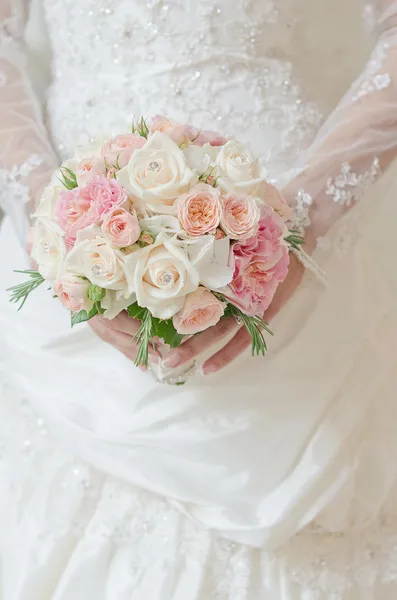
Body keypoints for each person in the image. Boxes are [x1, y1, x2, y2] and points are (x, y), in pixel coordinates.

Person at [1, 0, 397, 597]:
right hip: (75, 220)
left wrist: (301, 222)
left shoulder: (296, 225)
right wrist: (51, 221)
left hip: (279, 211)